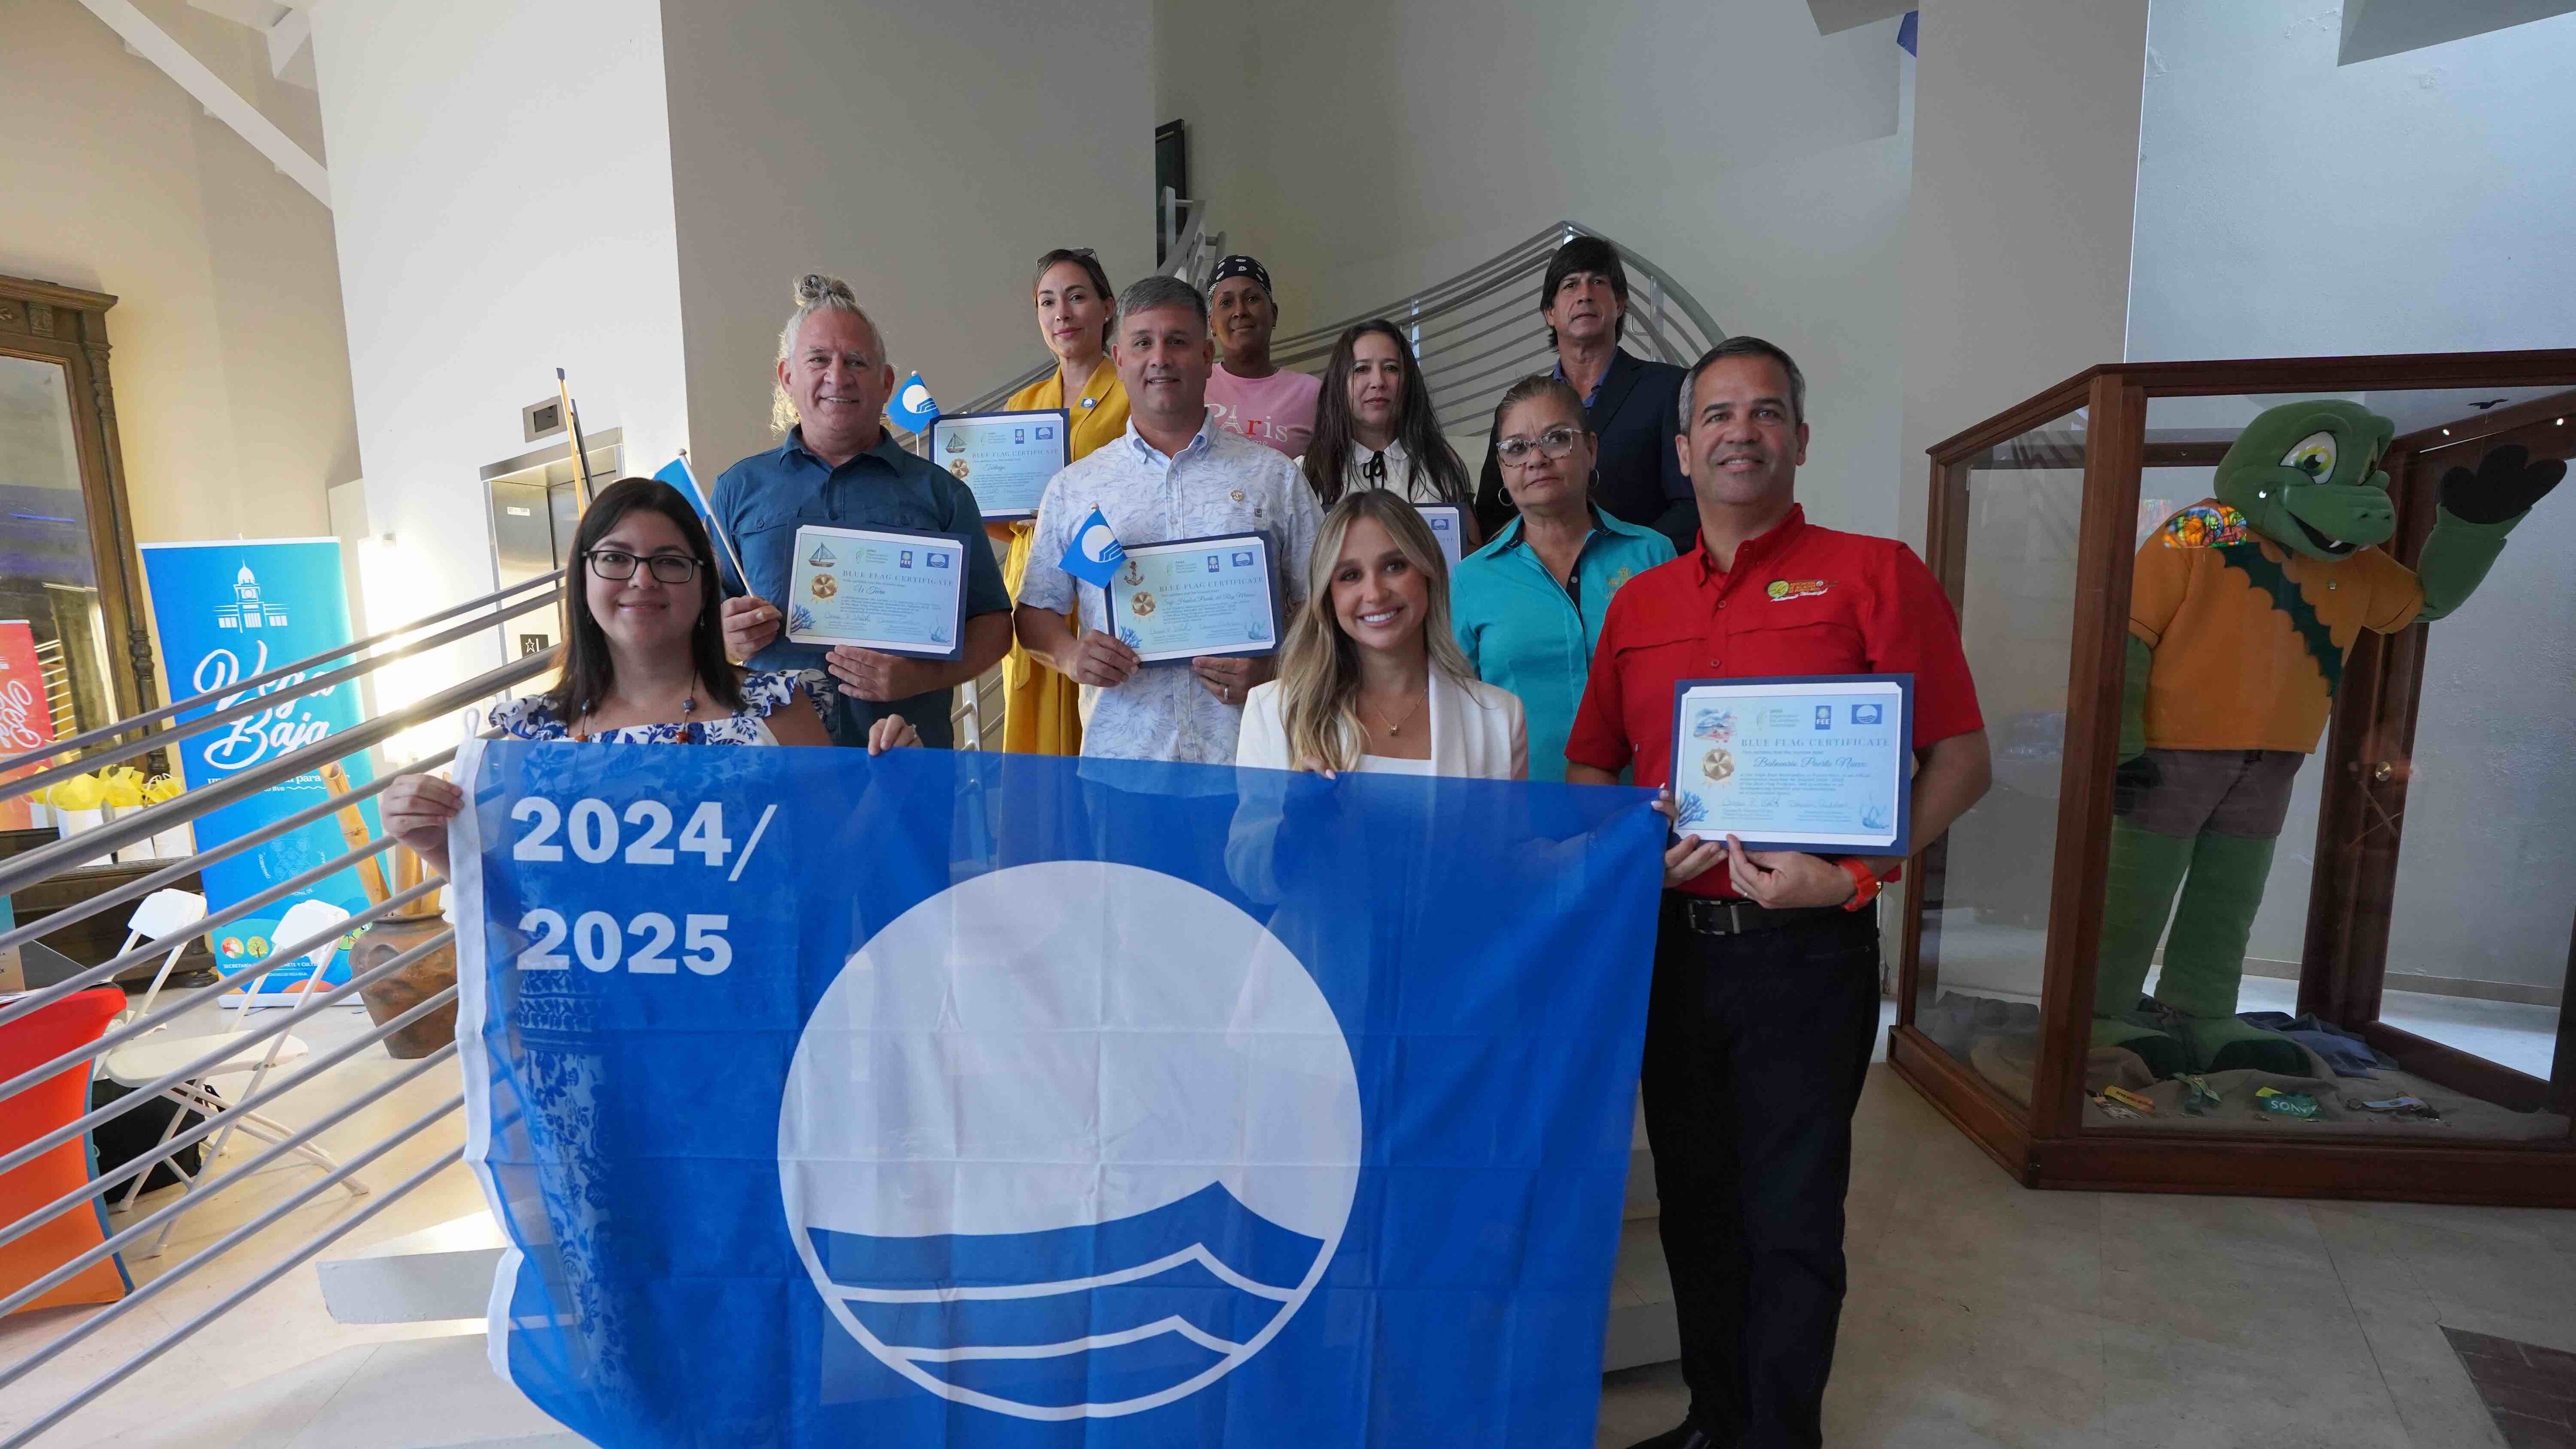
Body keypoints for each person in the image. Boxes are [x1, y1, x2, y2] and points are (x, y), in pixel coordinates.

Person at [1564, 338, 1991, 1449]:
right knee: (1698, 1206)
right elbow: (1591, 762)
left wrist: (1853, 875)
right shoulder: (1639, 601)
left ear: (1799, 438)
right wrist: (1632, 848)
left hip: (1806, 951)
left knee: (1791, 1216)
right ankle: (1715, 1420)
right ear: (1681, 448)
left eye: (1763, 413)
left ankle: (1778, 1435)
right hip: (1673, 946)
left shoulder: (1874, 573)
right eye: (1716, 414)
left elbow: (1960, 759)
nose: (1738, 433)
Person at [380, 477, 918, 877]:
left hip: (758, 993)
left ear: (704, 586)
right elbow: (517, 905)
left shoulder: (776, 709)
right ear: (583, 579)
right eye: (616, 558)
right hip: (587, 1000)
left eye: (669, 561)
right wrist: (432, 842)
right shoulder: (531, 734)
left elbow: (838, 868)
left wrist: (892, 786)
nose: (642, 579)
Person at [1016, 275, 1322, 764]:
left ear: (1206, 356)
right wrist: (1071, 655)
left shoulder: (1275, 477)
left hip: (1250, 761)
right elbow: (1036, 611)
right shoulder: (1076, 489)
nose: (1160, 358)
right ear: (1120, 359)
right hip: (1124, 763)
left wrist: (1277, 666)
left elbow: (1322, 603)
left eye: (1177, 341)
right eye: (1143, 343)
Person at [711, 274, 1013, 751]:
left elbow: (994, 627)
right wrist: (724, 635)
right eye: (818, 360)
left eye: (856, 361)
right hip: (776, 762)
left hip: (907, 756)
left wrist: (918, 677)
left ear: (886, 382)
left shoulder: (942, 493)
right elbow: (694, 620)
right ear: (787, 376)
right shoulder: (737, 489)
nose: (838, 376)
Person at [1451, 376, 1672, 782]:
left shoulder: (1652, 555)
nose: (1536, 459)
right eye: (1516, 448)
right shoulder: (1470, 579)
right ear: (1502, 468)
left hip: (1641, 802)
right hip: (1519, 810)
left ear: (1591, 449)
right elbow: (1453, 718)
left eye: (1556, 439)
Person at [1238, 489, 1523, 779]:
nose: (1375, 594)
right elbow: (1259, 812)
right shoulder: (1270, 713)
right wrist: (1294, 805)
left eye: (1394, 566)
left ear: (1429, 574)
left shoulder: (1500, 717)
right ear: (1328, 597)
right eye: (1350, 576)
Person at [992, 248, 1133, 757]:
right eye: (1048, 302)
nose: (1062, 314)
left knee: (1101, 724)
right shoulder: (1022, 405)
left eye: (1076, 298)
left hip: (1104, 581)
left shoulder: (1133, 392)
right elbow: (1002, 523)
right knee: (1034, 743)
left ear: (1107, 307)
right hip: (1033, 588)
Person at [1472, 236, 1693, 551]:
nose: (1585, 295)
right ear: (1549, 313)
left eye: (1598, 282)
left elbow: (1690, 506)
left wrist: (1626, 561)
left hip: (1641, 573)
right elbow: (1493, 515)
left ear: (1619, 304)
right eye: (1570, 285)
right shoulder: (1518, 407)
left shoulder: (1670, 388)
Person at [1298, 320, 1476, 516]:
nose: (1378, 382)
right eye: (1361, 369)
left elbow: (1468, 536)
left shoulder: (1441, 464)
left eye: (1391, 368)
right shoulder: (1304, 472)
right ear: (1339, 383)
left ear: (1409, 381)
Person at [1201, 254, 1321, 457]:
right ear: (1212, 322)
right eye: (1226, 303)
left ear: (1274, 314)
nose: (1240, 311)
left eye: (1252, 299)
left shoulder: (1312, 393)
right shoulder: (1195, 385)